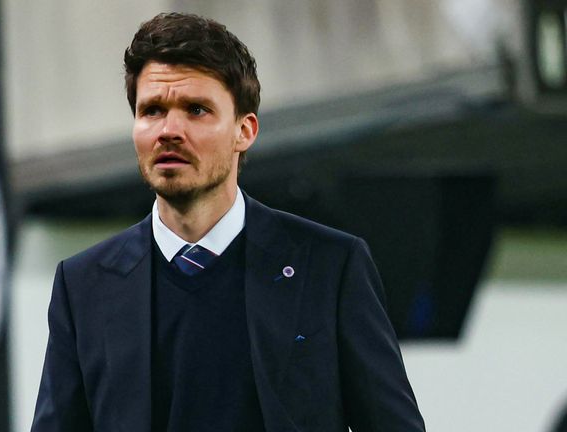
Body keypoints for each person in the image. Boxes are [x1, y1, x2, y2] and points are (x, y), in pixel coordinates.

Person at [32, 12, 425, 432]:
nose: (169, 130)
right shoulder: (84, 286)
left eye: (196, 109)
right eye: (152, 110)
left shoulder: (329, 267)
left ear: (244, 130)